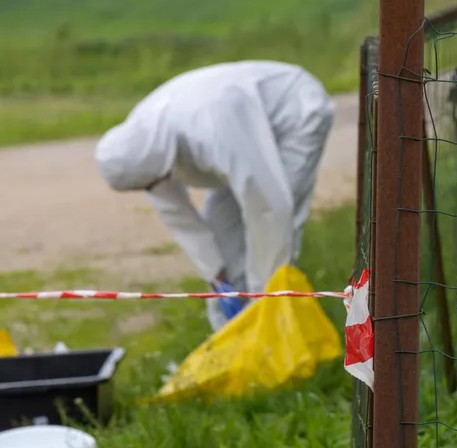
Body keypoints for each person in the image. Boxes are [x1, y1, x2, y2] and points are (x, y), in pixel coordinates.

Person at [95, 61, 335, 331]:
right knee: (223, 242)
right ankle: (229, 344)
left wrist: (261, 295)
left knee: (276, 229)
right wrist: (216, 275)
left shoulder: (207, 130)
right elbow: (178, 216)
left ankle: (272, 330)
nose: (156, 188)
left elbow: (267, 205)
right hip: (240, 135)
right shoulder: (142, 145)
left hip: (292, 114)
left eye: (156, 181)